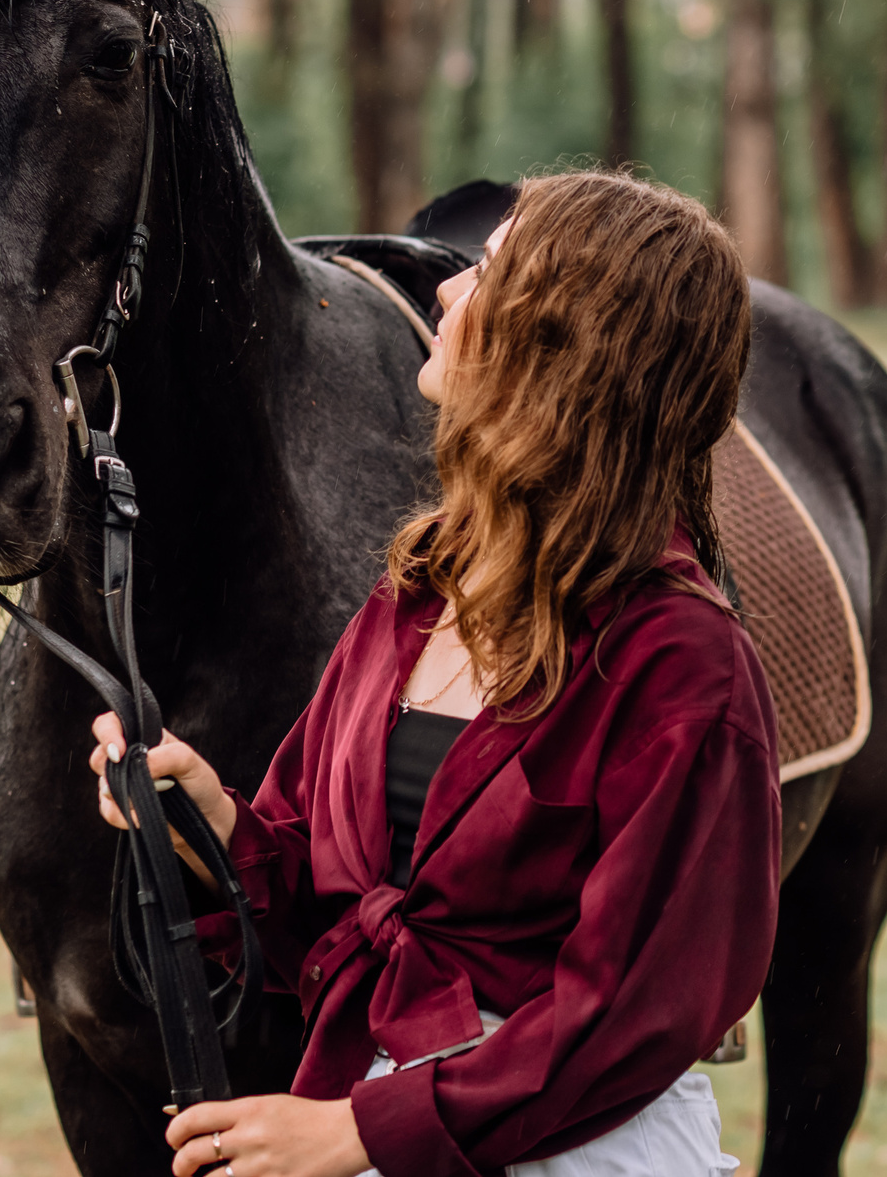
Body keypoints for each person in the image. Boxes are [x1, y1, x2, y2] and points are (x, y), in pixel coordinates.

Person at [90, 171, 782, 1177]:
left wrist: (360, 1130)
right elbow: (331, 902)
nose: (448, 294)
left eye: (489, 274)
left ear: (569, 347)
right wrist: (212, 820)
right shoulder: (415, 595)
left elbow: (631, 1015)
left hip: (573, 1148)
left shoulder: (684, 668)